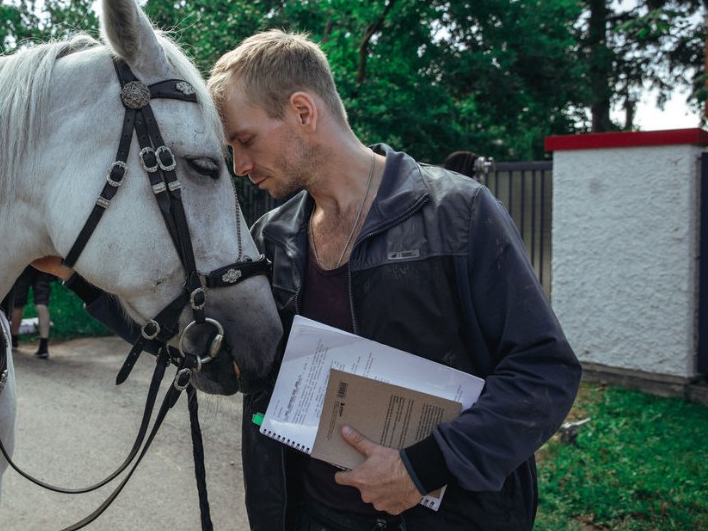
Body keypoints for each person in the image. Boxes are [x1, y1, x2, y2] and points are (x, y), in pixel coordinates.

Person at [33, 29, 581, 530]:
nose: (239, 164)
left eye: (245, 140)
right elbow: (209, 354)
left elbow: (544, 372)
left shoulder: (456, 215)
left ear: (301, 111)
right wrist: (79, 279)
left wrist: (423, 466)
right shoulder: (271, 241)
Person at [2, 265, 54, 358]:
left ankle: (13, 341)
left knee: (17, 305)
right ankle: (43, 346)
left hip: (26, 265)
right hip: (44, 264)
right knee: (42, 304)